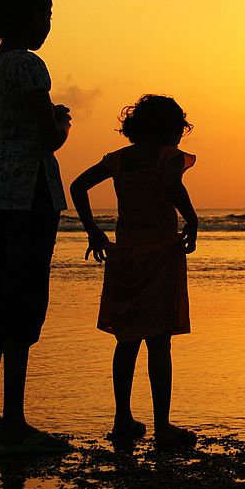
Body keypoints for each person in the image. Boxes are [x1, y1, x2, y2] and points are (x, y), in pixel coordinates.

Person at [0, 0, 73, 454]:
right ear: (27, 17)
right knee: (26, 301)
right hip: (30, 190)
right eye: (46, 15)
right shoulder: (30, 67)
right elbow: (49, 139)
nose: (48, 25)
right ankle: (14, 422)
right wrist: (59, 122)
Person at [70, 95, 198, 449]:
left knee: (126, 339)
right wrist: (192, 218)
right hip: (160, 256)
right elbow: (173, 186)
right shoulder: (168, 158)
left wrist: (93, 230)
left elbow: (78, 187)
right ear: (170, 128)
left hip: (124, 257)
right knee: (159, 341)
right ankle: (162, 425)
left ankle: (122, 418)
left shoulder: (119, 159)